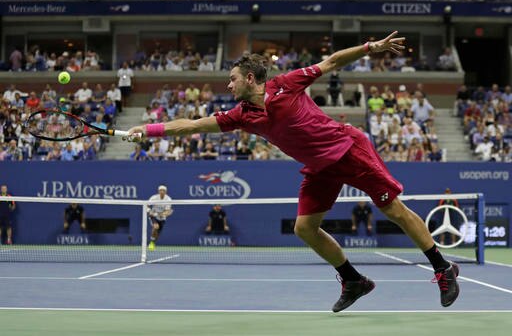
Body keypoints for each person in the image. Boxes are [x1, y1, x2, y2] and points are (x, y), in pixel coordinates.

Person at [126, 32, 459, 311]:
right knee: (305, 228)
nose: (228, 86)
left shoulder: (286, 84)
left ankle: (442, 269)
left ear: (251, 79)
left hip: (348, 150)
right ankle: (353, 280)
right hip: (319, 168)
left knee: (392, 209)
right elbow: (191, 125)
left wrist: (371, 48)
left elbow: (331, 62)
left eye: (232, 79)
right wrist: (150, 129)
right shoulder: (240, 115)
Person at [147, 185, 173, 251]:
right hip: (153, 216)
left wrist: (163, 214)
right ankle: (151, 243)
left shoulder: (168, 199)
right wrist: (149, 211)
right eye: (160, 190)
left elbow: (167, 211)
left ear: (166, 192)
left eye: (163, 190)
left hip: (162, 218)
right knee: (156, 227)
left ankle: (152, 242)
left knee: (157, 234)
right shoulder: (154, 198)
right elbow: (147, 205)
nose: (162, 191)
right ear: (158, 191)